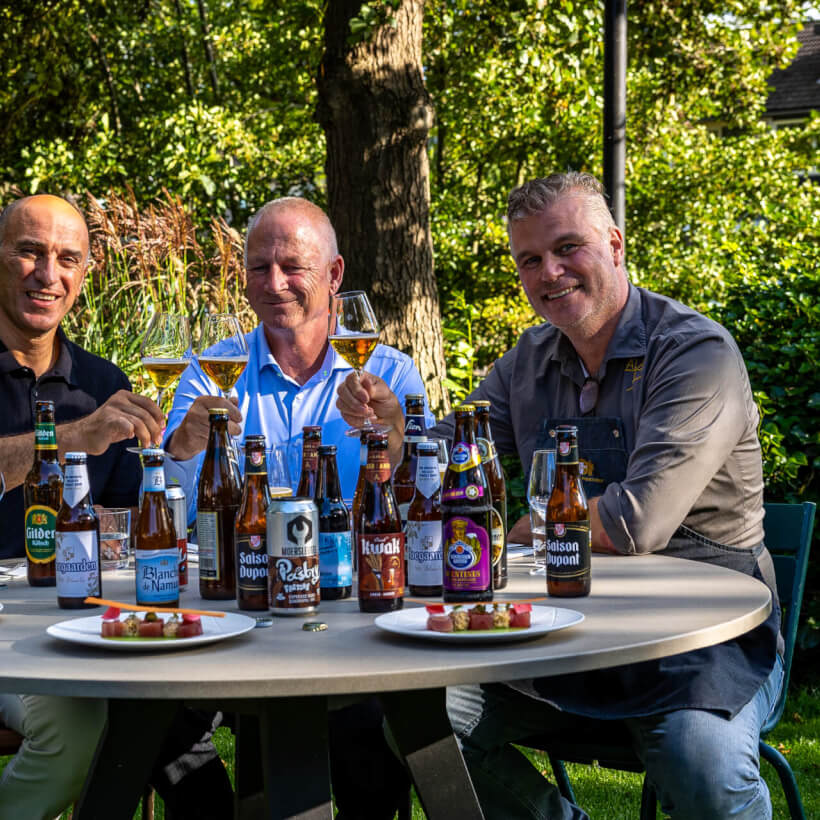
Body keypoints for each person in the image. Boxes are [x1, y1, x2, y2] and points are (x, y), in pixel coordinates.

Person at [336, 172, 783, 820]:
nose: (550, 272)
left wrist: (519, 530)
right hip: (564, 630)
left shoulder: (694, 352)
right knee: (419, 723)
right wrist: (400, 435)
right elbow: (452, 453)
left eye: (568, 247)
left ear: (615, 245)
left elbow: (638, 522)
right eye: (530, 259)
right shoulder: (528, 361)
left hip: (703, 638)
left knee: (702, 765)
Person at [164, 196, 433, 819]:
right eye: (259, 268)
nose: (275, 282)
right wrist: (182, 447)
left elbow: (424, 502)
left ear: (334, 275)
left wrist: (394, 437)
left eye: (292, 267)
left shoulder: (389, 373)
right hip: (233, 611)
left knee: (371, 726)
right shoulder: (213, 371)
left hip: (352, 618)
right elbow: (172, 506)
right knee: (153, 718)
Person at [0, 195, 232, 820]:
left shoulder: (103, 384)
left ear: (85, 272)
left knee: (194, 769)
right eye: (29, 252)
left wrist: (173, 456)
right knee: (78, 730)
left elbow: (132, 530)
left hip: (86, 623)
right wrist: (74, 436)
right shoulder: (94, 413)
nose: (48, 274)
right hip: (10, 636)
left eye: (67, 258)